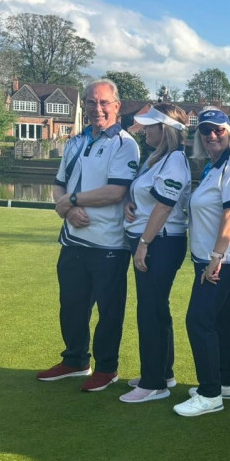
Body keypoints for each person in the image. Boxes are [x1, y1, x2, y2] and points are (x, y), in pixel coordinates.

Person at [37, 79, 139, 392]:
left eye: (104, 102)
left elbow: (116, 191)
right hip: (73, 240)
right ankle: (76, 360)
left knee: (108, 312)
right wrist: (66, 208)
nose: (97, 109)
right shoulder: (76, 141)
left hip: (108, 243)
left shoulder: (125, 144)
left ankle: (107, 368)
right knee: (71, 305)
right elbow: (59, 184)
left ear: (117, 106)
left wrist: (74, 201)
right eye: (92, 102)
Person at [173, 110, 230, 417]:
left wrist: (217, 257)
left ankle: (209, 393)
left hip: (220, 258)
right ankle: (226, 384)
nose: (211, 136)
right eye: (205, 131)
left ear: (229, 133)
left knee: (198, 319)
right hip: (207, 256)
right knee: (223, 318)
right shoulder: (212, 167)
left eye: (218, 130)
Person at [120, 104, 192, 404]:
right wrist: (128, 201)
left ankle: (154, 382)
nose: (145, 130)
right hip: (154, 240)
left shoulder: (173, 160)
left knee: (150, 310)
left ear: (166, 130)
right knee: (156, 308)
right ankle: (163, 371)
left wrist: (144, 243)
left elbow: (164, 207)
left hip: (160, 243)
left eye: (150, 126)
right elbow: (144, 195)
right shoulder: (157, 158)